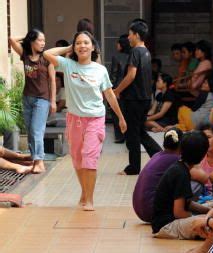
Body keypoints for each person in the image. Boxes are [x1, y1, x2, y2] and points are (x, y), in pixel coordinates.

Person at [44, 32, 127, 211]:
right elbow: (46, 54)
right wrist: (68, 47)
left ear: (93, 47)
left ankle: (89, 199)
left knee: (90, 158)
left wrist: (120, 117)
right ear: (74, 47)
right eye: (78, 43)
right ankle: (84, 192)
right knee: (77, 159)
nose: (82, 46)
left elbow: (110, 95)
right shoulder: (68, 65)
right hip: (74, 120)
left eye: (86, 42)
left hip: (95, 119)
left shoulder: (100, 70)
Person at [113, 20, 162, 174]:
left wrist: (117, 90)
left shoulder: (135, 52)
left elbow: (131, 75)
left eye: (130, 34)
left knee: (132, 134)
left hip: (133, 100)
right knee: (140, 132)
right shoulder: (146, 52)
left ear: (137, 35)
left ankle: (133, 168)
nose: (128, 37)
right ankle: (160, 157)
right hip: (144, 99)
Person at [9, 29, 56, 174]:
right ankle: (36, 160)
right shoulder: (25, 55)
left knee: (36, 130)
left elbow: (53, 81)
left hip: (42, 99)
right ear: (32, 41)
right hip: (27, 98)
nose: (43, 43)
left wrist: (53, 101)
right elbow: (11, 39)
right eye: (39, 40)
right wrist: (27, 37)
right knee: (30, 131)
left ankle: (39, 162)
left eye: (44, 40)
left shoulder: (47, 58)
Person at [151, 131, 210, 239]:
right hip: (167, 226)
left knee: (211, 217)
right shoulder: (181, 173)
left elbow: (186, 203)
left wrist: (208, 211)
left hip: (163, 223)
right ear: (202, 156)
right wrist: (198, 217)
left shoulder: (179, 168)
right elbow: (179, 212)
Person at [132, 128, 183, 223]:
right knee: (193, 183)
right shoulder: (176, 159)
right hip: (152, 211)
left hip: (139, 209)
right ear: (182, 144)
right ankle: (181, 212)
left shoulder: (157, 155)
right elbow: (202, 177)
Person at [109, 34, 131, 142]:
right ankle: (128, 135)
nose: (116, 44)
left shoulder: (117, 57)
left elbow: (114, 74)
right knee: (128, 111)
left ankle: (119, 136)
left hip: (118, 87)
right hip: (130, 88)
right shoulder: (133, 55)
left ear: (122, 45)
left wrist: (110, 89)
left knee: (116, 112)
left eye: (118, 42)